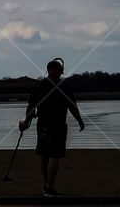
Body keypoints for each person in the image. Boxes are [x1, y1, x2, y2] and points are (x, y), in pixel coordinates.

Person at [18, 57, 85, 196]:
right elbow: (72, 106)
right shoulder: (63, 86)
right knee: (54, 156)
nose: (61, 72)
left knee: (45, 156)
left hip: (43, 125)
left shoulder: (40, 86)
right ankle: (49, 187)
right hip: (57, 125)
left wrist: (26, 122)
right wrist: (79, 120)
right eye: (60, 70)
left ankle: (46, 185)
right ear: (54, 70)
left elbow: (31, 107)